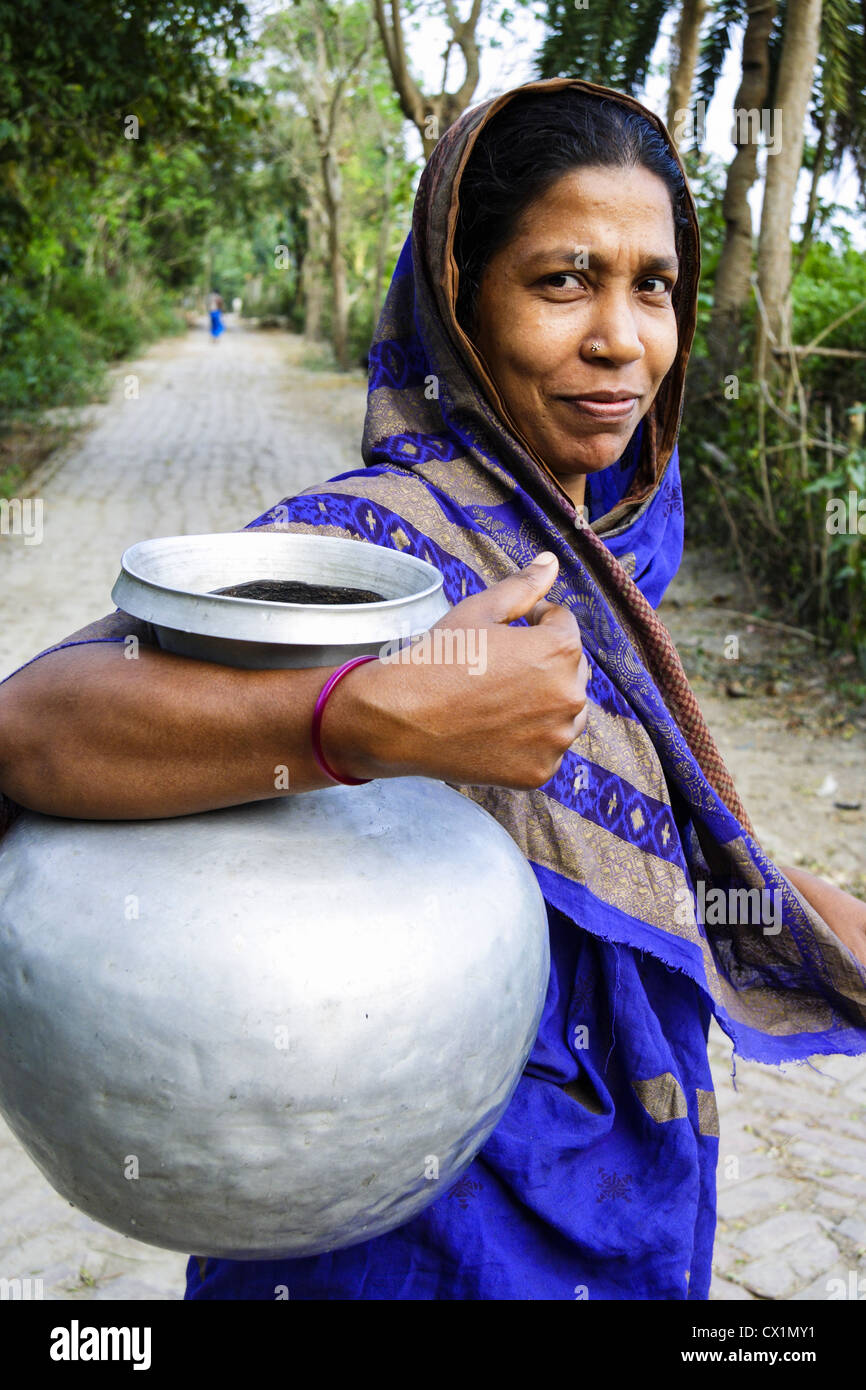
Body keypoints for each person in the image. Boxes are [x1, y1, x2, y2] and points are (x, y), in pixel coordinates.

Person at [1, 78, 865, 1301]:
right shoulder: (375, 550)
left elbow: (679, 854)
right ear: (460, 296)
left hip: (622, 1207)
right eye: (563, 280)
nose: (621, 337)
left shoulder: (613, 563)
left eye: (652, 285)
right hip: (405, 1231)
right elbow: (32, 726)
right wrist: (361, 717)